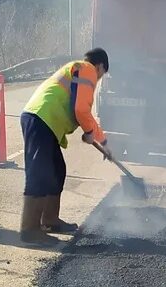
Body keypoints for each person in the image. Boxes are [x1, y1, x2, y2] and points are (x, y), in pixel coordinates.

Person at [19, 48, 111, 245]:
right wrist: (94, 136)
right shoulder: (87, 69)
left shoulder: (78, 70)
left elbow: (78, 109)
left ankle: (50, 220)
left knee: (57, 171)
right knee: (40, 172)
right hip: (41, 118)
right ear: (100, 66)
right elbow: (81, 109)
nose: (99, 79)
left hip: (45, 122)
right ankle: (29, 229)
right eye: (102, 75)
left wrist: (95, 137)